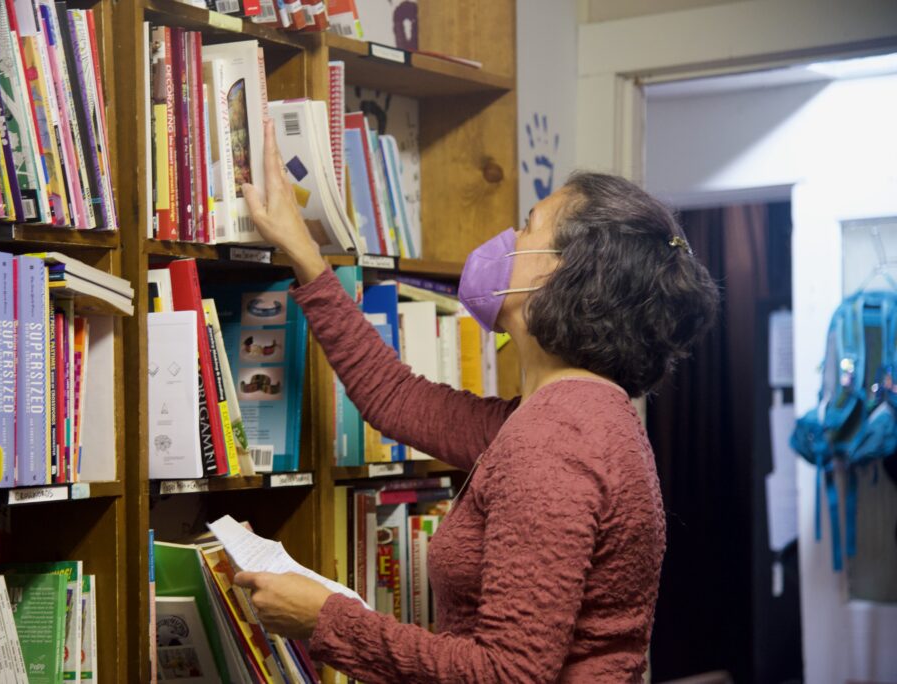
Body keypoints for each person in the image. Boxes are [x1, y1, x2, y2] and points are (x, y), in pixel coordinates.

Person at [234, 119, 719, 683]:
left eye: (529, 226)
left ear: (562, 273)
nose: (507, 239)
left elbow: (505, 676)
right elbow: (393, 398)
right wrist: (306, 257)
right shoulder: (568, 417)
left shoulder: (554, 440)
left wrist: (324, 619)